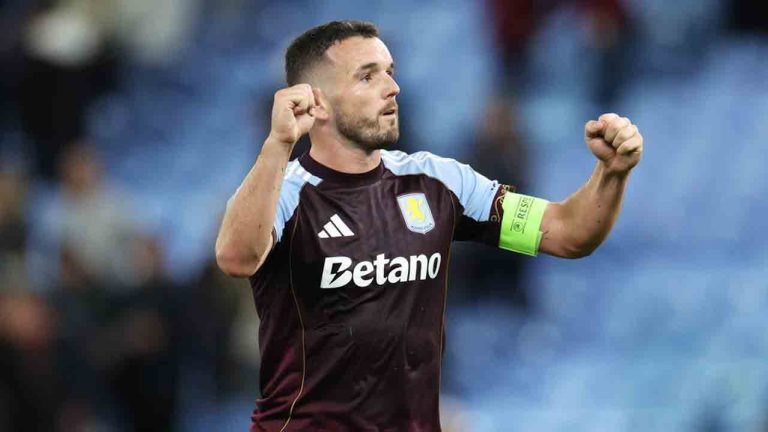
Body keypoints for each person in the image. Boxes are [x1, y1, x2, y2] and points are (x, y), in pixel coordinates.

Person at [215, 20, 643, 432]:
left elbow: (568, 233)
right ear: (317, 103)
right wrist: (279, 145)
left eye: (390, 72)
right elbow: (237, 257)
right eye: (368, 77)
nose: (393, 87)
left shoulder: (438, 181)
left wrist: (612, 173)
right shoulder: (286, 192)